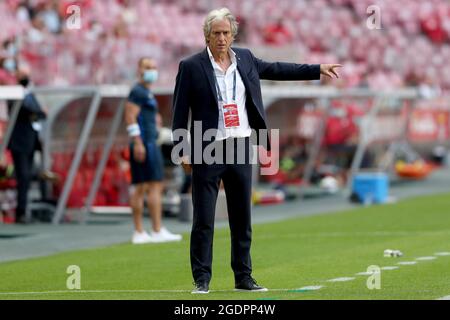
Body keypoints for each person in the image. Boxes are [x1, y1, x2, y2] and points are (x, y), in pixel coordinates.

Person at [172, 8, 341, 294]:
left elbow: (277, 69)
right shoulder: (190, 66)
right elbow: (179, 112)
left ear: (233, 35)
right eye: (216, 33)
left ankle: (244, 277)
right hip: (207, 147)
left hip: (240, 145)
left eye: (226, 33)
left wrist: (316, 69)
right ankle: (202, 280)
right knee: (204, 219)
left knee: (242, 218)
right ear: (207, 36)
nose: (222, 38)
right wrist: (182, 151)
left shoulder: (246, 59)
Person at [125, 57, 182, 244]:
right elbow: (130, 117)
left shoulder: (146, 92)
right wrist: (138, 142)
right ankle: (143, 231)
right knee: (145, 187)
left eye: (154, 67)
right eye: (148, 67)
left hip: (150, 141)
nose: (152, 70)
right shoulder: (138, 92)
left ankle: (153, 229)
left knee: (152, 186)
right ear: (139, 70)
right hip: (145, 143)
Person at [7, 69, 47, 223]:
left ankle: (26, 210)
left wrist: (38, 112)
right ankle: (21, 212)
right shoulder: (14, 95)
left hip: (31, 142)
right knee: (22, 177)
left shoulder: (30, 94)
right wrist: (38, 112)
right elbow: (29, 112)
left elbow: (41, 113)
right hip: (19, 143)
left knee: (28, 177)